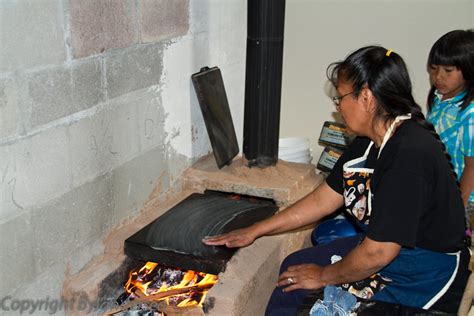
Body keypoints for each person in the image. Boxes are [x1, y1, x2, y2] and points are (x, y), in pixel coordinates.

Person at [203, 46, 470, 315]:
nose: (338, 106)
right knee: (294, 270)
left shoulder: (409, 154)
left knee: (313, 302)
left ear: (366, 97)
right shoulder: (369, 142)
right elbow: (323, 199)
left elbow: (378, 253)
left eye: (340, 97)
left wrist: (323, 276)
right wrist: (256, 229)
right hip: (390, 256)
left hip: (422, 275)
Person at [426, 29, 474, 232]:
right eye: (434, 69)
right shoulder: (439, 99)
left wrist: (456, 210)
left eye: (448, 71)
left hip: (464, 201)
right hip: (441, 193)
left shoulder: (470, 113)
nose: (438, 77)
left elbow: (472, 168)